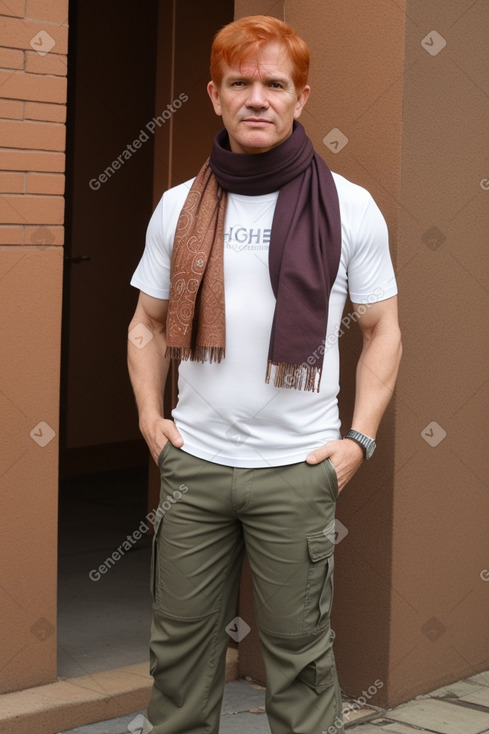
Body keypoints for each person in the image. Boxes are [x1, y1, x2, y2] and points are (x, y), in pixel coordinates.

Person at [128, 14, 402, 734]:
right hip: (195, 467)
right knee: (178, 660)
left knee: (300, 663)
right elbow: (146, 324)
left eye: (273, 84)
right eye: (239, 83)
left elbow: (382, 332)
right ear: (213, 95)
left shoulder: (348, 206)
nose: (257, 97)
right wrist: (149, 420)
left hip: (297, 470)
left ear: (299, 98)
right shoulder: (174, 209)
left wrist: (358, 441)